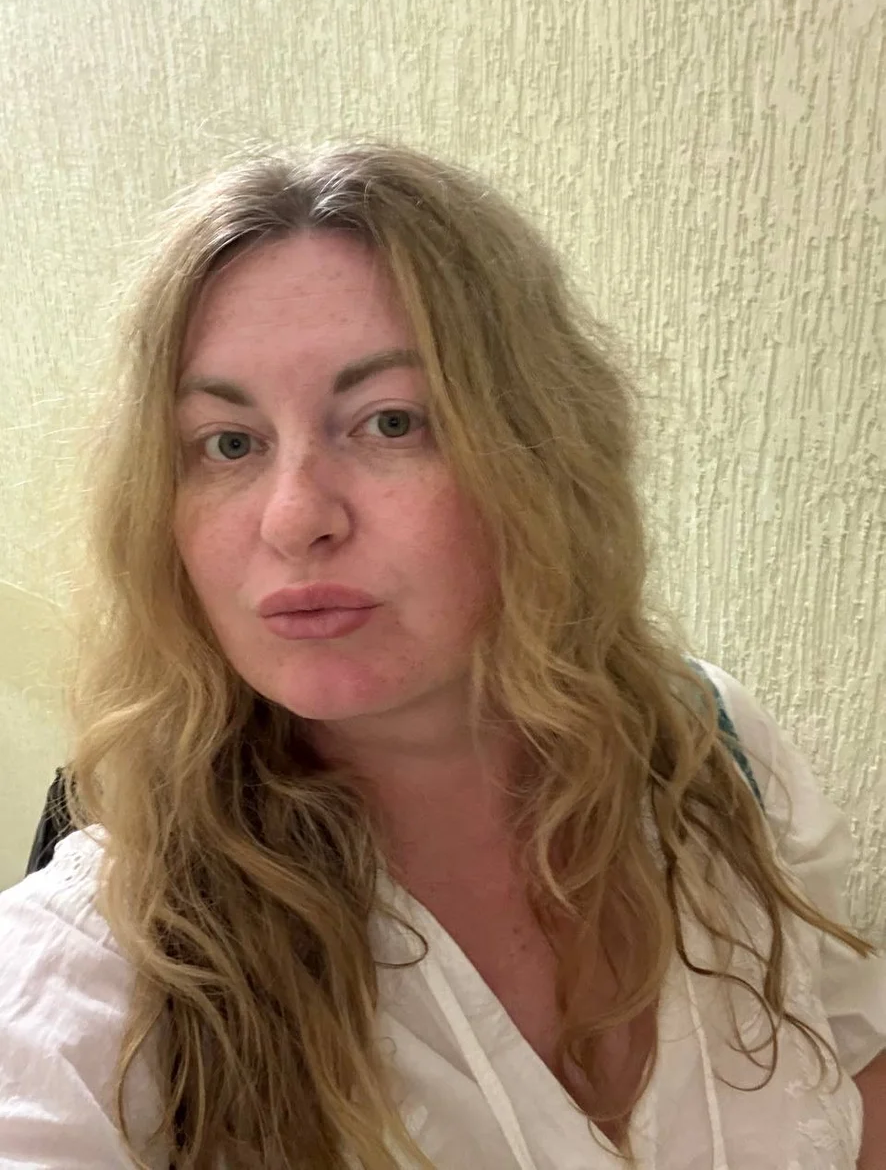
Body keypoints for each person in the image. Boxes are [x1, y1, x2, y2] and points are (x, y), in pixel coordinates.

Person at [0, 143, 883, 1170]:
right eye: (228, 443)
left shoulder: (713, 757)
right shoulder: (97, 971)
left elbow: (854, 1070)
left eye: (390, 422)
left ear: (540, 455)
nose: (295, 518)